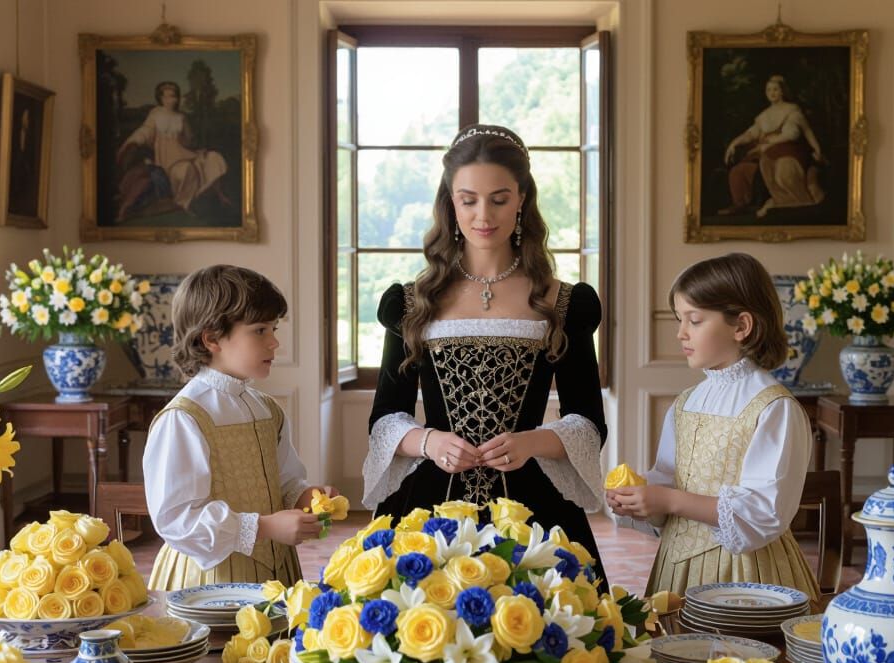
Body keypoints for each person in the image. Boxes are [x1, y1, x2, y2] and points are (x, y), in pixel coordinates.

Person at [364, 124, 609, 583]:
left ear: (522, 198)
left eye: (499, 199)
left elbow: (588, 420)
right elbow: (385, 417)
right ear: (450, 202)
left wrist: (530, 442)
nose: (483, 215)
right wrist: (430, 442)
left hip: (533, 503)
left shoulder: (564, 303)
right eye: (468, 199)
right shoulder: (411, 301)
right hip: (429, 505)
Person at [607, 253, 819, 599]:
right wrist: (640, 500)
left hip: (745, 574)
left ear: (741, 326)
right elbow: (669, 478)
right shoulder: (686, 401)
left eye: (694, 320)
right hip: (675, 571)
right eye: (680, 320)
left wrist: (669, 499)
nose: (680, 333)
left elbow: (763, 513)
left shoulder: (774, 408)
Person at [143, 265, 331, 590]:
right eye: (260, 330)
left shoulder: (267, 409)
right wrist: (265, 528)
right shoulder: (184, 418)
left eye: (274, 329)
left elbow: (283, 481)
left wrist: (304, 496)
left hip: (276, 573)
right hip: (209, 581)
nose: (275, 343)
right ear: (212, 338)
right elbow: (177, 520)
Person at [115, 81, 230, 222]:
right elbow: (145, 131)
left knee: (214, 157)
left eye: (174, 96)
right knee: (186, 169)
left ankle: (220, 195)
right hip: (169, 164)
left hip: (186, 155)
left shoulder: (181, 117)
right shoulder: (156, 114)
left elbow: (189, 142)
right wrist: (134, 141)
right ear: (161, 98)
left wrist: (190, 140)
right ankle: (183, 203)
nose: (172, 100)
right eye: (168, 96)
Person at [720, 75, 826, 218]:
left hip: (791, 153)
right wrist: (734, 143)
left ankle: (798, 202)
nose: (772, 93)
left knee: (783, 174)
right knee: (766, 173)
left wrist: (817, 150)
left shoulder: (792, 110)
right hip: (769, 155)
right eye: (768, 90)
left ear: (782, 91)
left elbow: (806, 132)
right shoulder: (764, 116)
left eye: (775, 89)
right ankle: (778, 202)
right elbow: (750, 134)